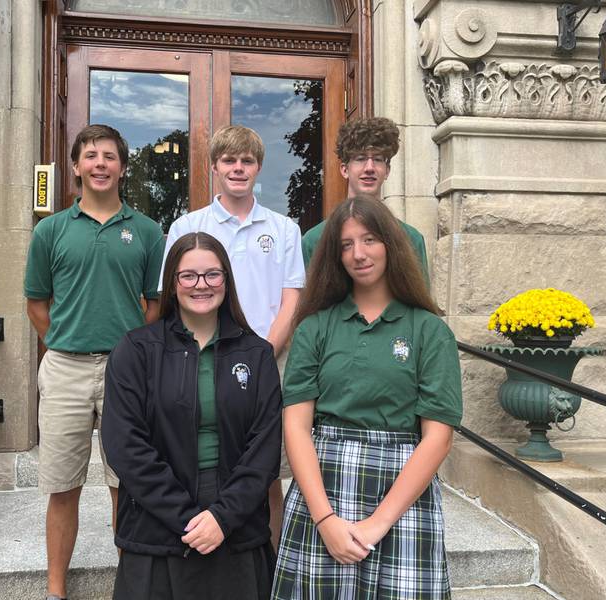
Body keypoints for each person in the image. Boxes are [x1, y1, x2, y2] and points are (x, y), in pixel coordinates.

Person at [272, 196, 462, 599]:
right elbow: (297, 427)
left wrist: (378, 523)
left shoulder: (429, 331)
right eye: (345, 244)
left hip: (402, 495)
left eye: (370, 239)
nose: (358, 254)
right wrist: (324, 520)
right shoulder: (314, 328)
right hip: (323, 487)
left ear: (392, 245)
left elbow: (438, 438)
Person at [24, 124, 164, 600]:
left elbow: (154, 305)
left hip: (127, 374)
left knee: (126, 485)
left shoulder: (146, 231)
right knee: (63, 486)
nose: (100, 163)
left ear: (123, 167)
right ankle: (56, 590)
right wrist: (65, 341)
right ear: (77, 166)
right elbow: (36, 304)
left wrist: (128, 353)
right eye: (90, 155)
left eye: (109, 156)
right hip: (64, 369)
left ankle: (130, 587)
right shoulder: (51, 230)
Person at [103, 232, 282, 599]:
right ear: (172, 283)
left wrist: (222, 517)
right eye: (189, 276)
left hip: (236, 526)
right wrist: (186, 518)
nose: (202, 285)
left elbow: (264, 450)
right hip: (157, 523)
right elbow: (124, 445)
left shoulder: (257, 354)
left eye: (213, 274)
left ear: (227, 281)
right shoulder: (136, 350)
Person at [160, 125, 305, 544]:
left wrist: (262, 353)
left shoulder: (283, 229)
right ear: (214, 168)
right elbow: (174, 294)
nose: (238, 169)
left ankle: (271, 563)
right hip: (198, 357)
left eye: (247, 161)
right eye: (229, 161)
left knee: (267, 470)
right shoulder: (188, 226)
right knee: (200, 461)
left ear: (258, 167)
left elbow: (291, 300)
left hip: (268, 362)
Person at [301, 117, 429, 279]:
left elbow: (419, 302)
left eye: (377, 159)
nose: (369, 168)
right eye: (360, 159)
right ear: (344, 169)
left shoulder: (411, 239)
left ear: (387, 170)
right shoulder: (315, 240)